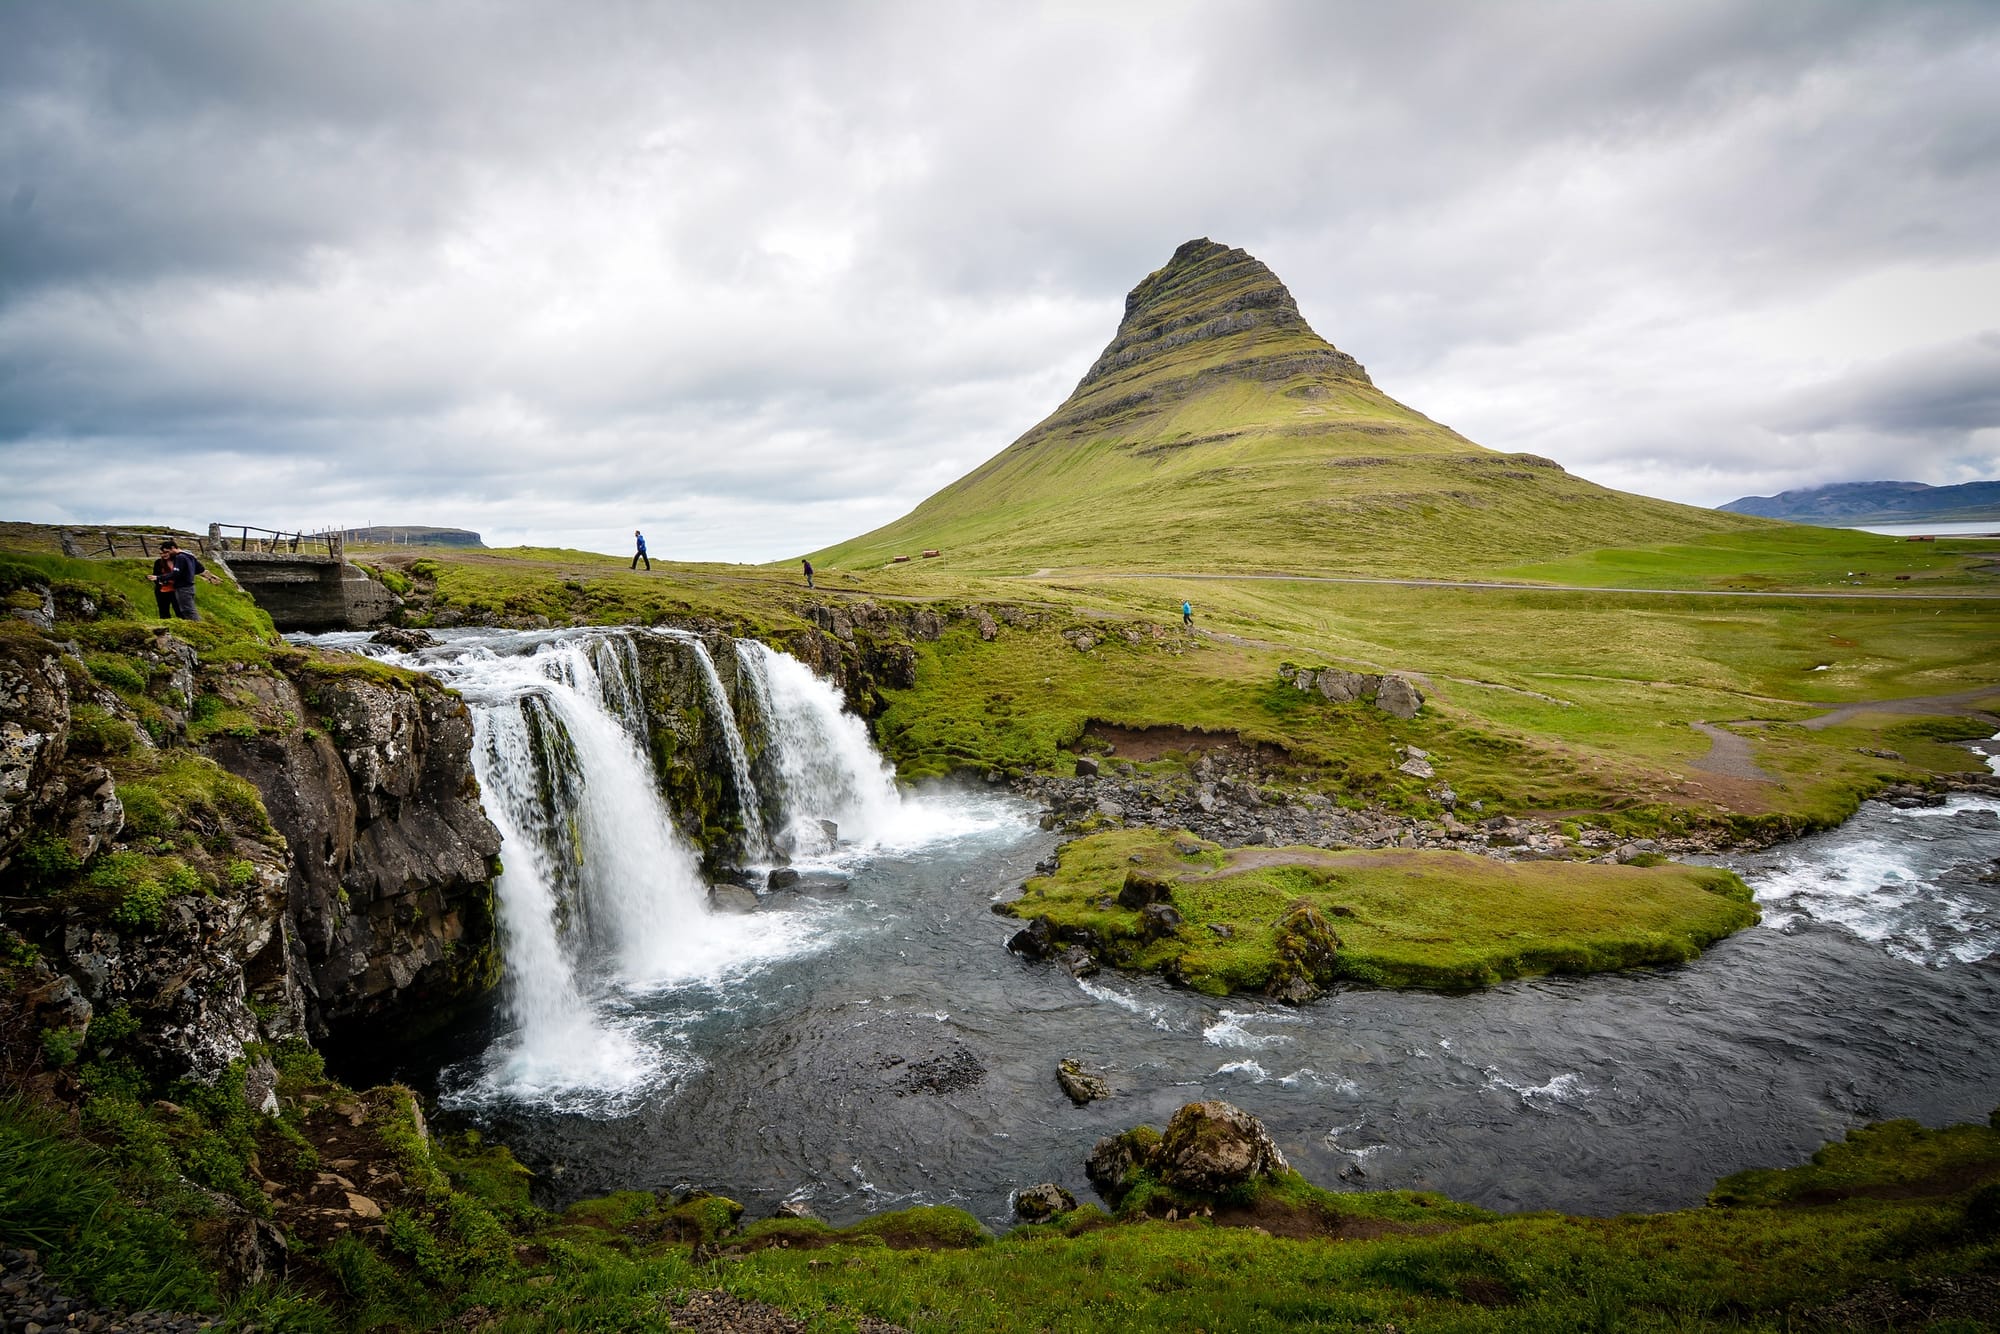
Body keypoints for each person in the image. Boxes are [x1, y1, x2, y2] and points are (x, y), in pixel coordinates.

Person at [155, 538, 219, 620]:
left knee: (186, 610)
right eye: (162, 553)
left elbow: (176, 573)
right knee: (184, 610)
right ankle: (195, 626)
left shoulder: (180, 557)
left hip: (182, 587)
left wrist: (159, 578)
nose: (165, 554)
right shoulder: (189, 556)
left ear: (173, 548)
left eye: (167, 551)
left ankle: (197, 626)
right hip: (178, 587)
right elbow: (199, 569)